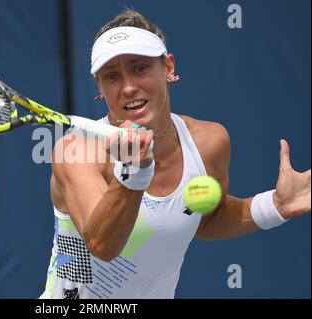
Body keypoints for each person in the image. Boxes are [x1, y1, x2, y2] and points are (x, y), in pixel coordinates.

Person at [40, 10, 311, 299]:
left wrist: (275, 206)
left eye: (140, 68)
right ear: (100, 88)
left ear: (168, 67)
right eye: (112, 76)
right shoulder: (78, 151)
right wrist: (133, 172)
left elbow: (205, 218)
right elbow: (102, 245)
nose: (129, 87)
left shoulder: (209, 142)